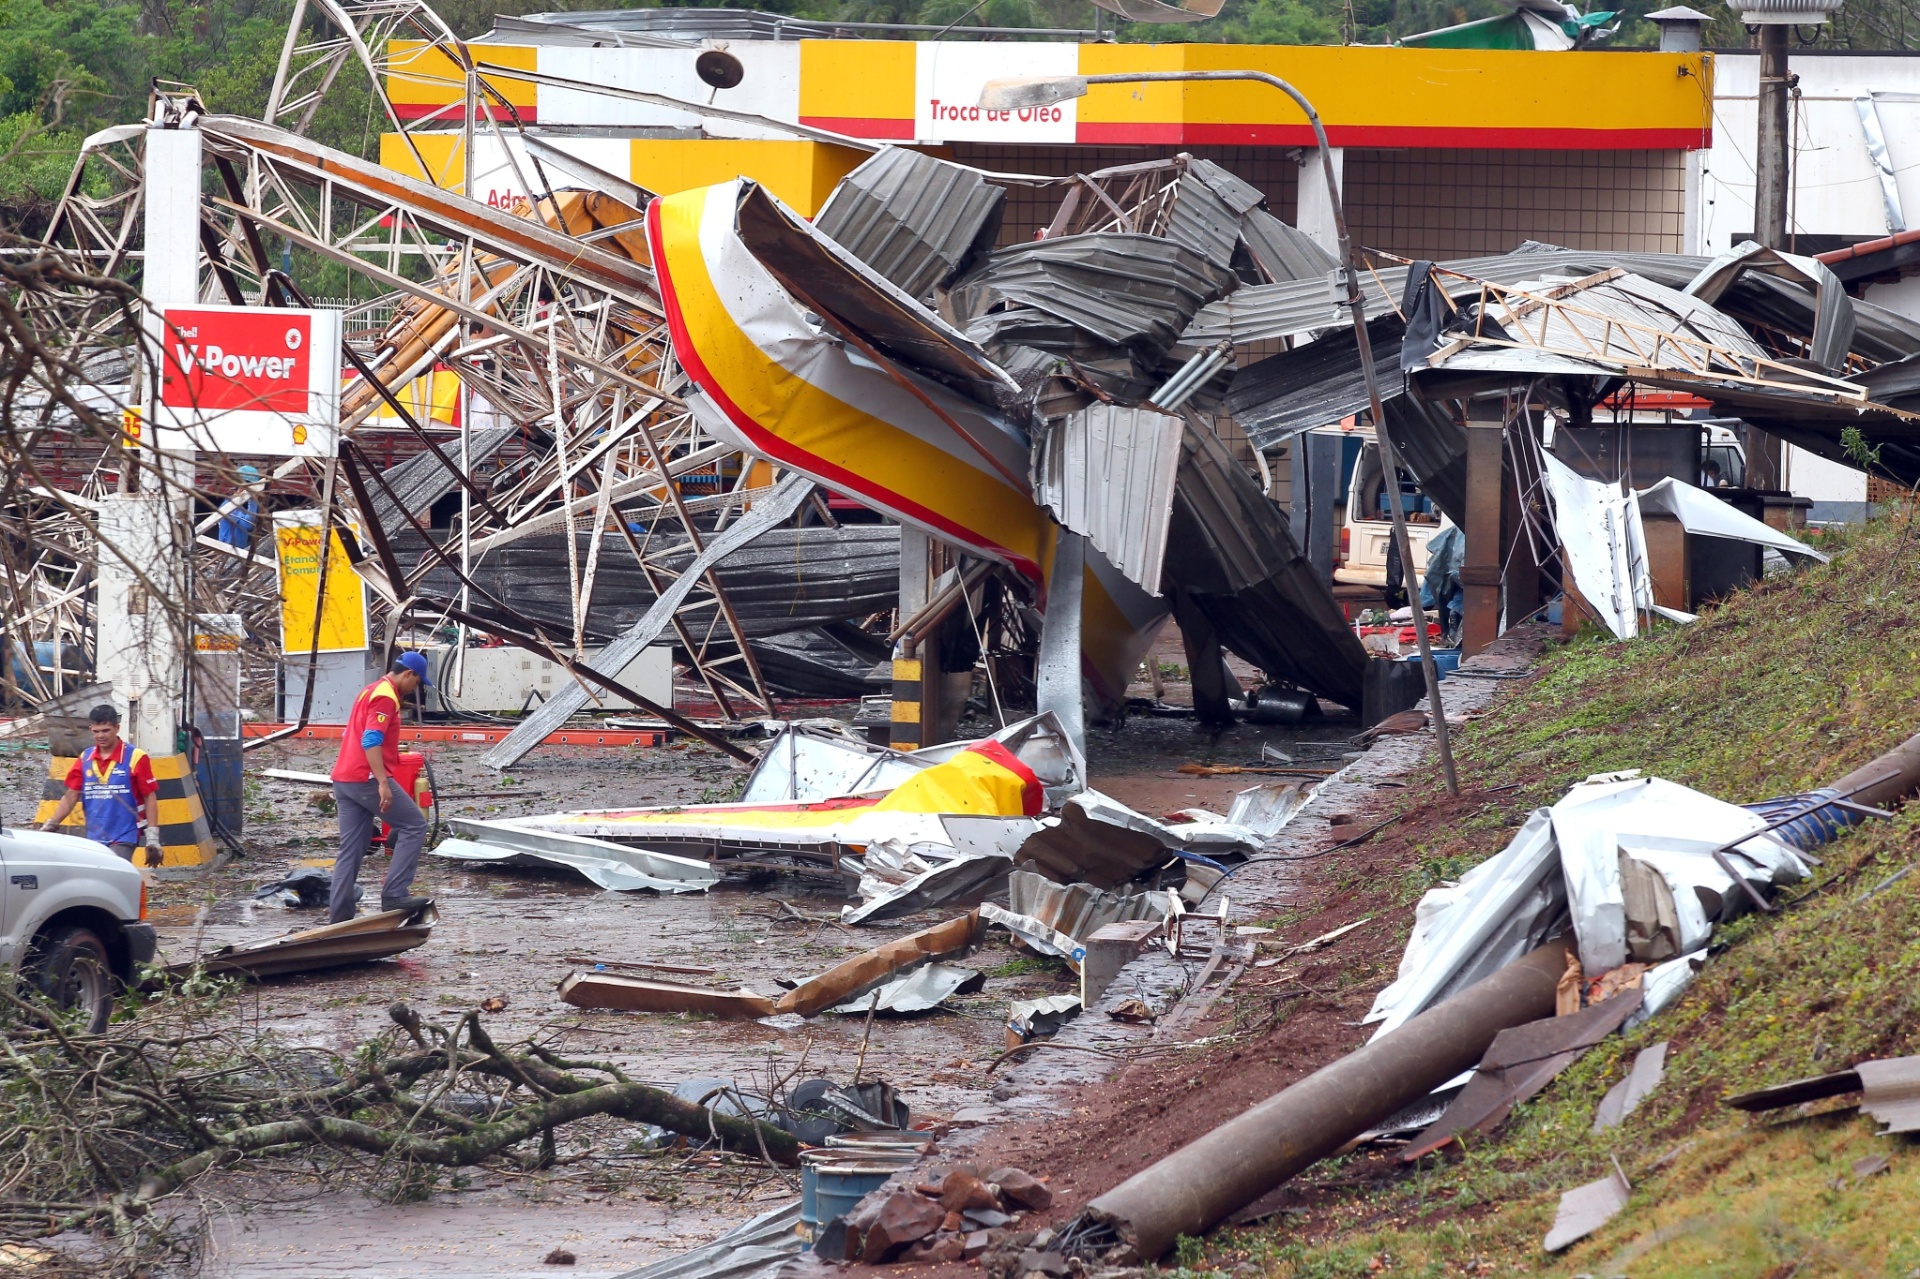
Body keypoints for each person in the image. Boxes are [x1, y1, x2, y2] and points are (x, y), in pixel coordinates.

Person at [329, 652, 433, 923]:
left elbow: (352, 734)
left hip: (344, 778)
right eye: (418, 682)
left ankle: (340, 919)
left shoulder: (369, 690)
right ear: (409, 674)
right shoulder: (386, 697)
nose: (416, 689)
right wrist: (383, 782)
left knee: (352, 848)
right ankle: (395, 894)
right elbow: (370, 739)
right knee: (414, 825)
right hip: (366, 779)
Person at [42, 705, 162, 864]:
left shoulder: (136, 757)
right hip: (94, 836)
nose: (101, 736)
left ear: (117, 728)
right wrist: (51, 824)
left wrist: (152, 838)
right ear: (90, 729)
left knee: (115, 873)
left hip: (124, 834)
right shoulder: (85, 758)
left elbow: (149, 796)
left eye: (106, 730)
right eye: (96, 731)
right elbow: (71, 794)